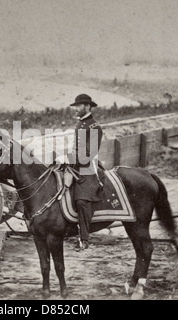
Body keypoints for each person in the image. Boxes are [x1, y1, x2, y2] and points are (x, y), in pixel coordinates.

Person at [57, 94, 104, 251]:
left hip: (88, 167)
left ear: (88, 107)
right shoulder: (80, 125)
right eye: (75, 106)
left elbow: (89, 154)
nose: (76, 109)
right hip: (75, 164)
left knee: (82, 201)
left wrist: (68, 157)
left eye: (79, 106)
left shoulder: (94, 127)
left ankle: (84, 238)